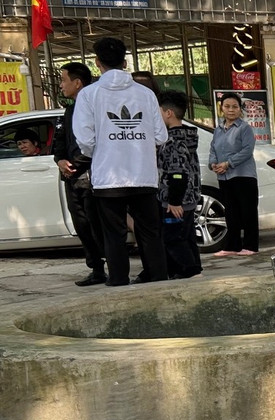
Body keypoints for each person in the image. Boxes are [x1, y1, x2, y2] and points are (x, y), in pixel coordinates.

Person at [72, 36, 169, 286]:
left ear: (97, 62)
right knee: (149, 231)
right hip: (143, 174)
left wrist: (105, 150)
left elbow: (84, 138)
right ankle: (157, 278)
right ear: (125, 62)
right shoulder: (146, 94)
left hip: (108, 177)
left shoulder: (88, 95)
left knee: (113, 233)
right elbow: (160, 135)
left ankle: (117, 280)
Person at [53, 62, 104, 286]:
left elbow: (96, 145)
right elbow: (60, 141)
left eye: (63, 80)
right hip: (73, 177)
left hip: (94, 177)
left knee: (98, 225)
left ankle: (113, 265)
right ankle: (96, 269)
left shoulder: (95, 107)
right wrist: (61, 160)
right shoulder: (70, 110)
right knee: (82, 225)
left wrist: (77, 165)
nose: (61, 85)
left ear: (77, 82)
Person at [156, 90, 203, 279]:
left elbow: (178, 174)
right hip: (189, 197)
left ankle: (189, 271)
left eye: (158, 111)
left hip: (176, 201)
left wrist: (174, 201)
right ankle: (192, 269)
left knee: (173, 238)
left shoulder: (174, 140)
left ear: (169, 113)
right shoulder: (187, 136)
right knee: (187, 236)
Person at [209, 92, 259, 256]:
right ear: (221, 108)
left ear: (240, 109)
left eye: (235, 107)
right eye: (227, 106)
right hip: (224, 177)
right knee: (231, 212)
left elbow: (247, 150)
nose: (231, 110)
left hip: (243, 175)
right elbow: (213, 149)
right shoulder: (218, 130)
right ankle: (232, 246)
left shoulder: (244, 128)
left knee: (248, 212)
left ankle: (250, 246)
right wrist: (213, 163)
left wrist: (228, 164)